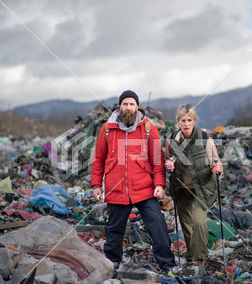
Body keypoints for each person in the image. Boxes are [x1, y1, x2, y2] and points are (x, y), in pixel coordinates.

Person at [91, 90, 175, 272]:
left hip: (144, 188)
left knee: (157, 223)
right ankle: (112, 264)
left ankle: (167, 265)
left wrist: (159, 184)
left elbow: (157, 160)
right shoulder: (107, 129)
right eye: (125, 104)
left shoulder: (148, 128)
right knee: (114, 230)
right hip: (116, 188)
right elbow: (98, 159)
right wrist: (96, 185)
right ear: (120, 107)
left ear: (138, 107)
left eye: (132, 104)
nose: (128, 107)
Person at [165, 104, 222, 267]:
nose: (186, 123)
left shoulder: (205, 139)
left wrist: (218, 169)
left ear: (194, 121)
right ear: (178, 122)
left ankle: (200, 258)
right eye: (183, 120)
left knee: (198, 222)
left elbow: (217, 163)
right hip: (181, 188)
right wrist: (168, 165)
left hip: (202, 187)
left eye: (189, 120)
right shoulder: (172, 140)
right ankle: (192, 257)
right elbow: (167, 160)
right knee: (187, 225)